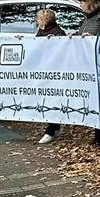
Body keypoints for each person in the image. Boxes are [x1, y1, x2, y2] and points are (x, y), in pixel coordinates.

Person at [34, 9, 67, 144]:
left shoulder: (57, 33)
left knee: (53, 99)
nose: (37, 21)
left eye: (39, 18)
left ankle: (51, 129)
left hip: (54, 73)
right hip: (44, 71)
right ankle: (54, 126)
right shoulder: (42, 31)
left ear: (44, 20)